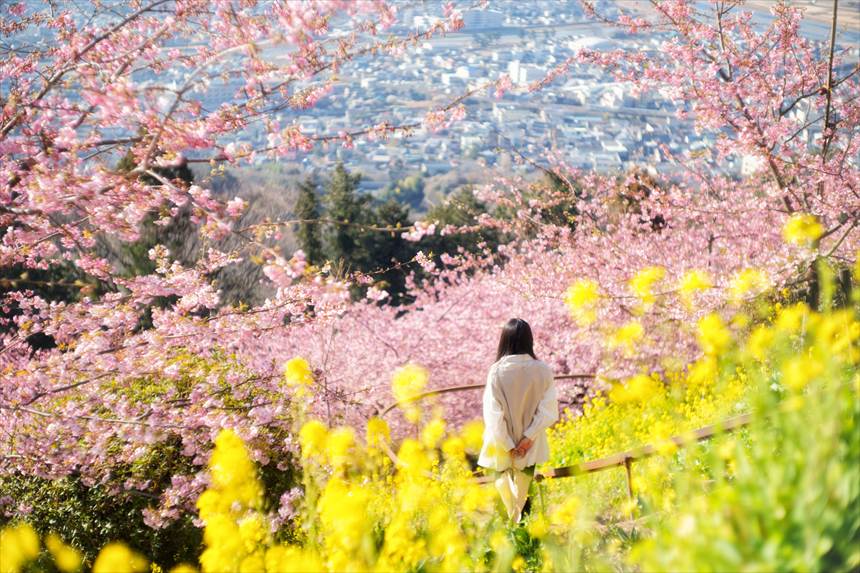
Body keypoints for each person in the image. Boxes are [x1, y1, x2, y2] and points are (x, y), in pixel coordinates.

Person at [478, 318, 559, 523]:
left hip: (500, 447)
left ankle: (508, 546)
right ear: (529, 340)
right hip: (529, 447)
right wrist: (526, 441)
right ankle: (528, 542)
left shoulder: (496, 371)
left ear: (504, 341)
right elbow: (548, 411)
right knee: (524, 498)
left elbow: (493, 415)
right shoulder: (542, 370)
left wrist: (508, 445)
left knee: (504, 502)